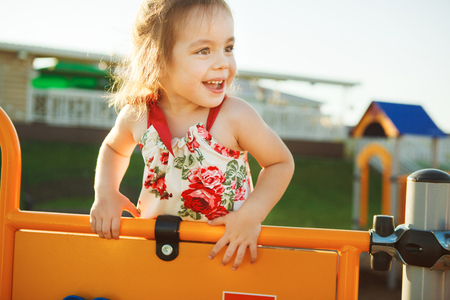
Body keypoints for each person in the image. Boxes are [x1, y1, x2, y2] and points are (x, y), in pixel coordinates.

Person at [90, 0, 294, 271]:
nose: (223, 63)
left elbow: (280, 163)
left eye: (228, 48)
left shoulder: (234, 116)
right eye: (204, 50)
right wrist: (105, 192)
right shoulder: (138, 114)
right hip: (158, 254)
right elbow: (114, 148)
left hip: (226, 255)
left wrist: (250, 217)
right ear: (158, 58)